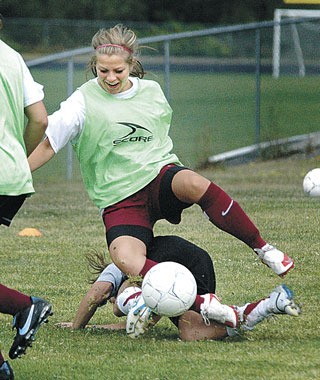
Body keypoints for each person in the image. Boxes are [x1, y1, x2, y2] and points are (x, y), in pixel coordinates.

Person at [28, 24, 294, 331]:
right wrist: (16, 175)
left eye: (118, 71)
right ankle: (212, 308)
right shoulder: (81, 101)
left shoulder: (152, 93)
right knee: (125, 258)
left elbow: (157, 145)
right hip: (119, 199)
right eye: (103, 71)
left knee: (194, 183)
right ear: (94, 66)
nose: (111, 78)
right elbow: (48, 144)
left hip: (157, 178)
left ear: (131, 66)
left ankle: (263, 249)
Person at [61, 236, 300, 342]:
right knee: (192, 333)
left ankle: (133, 298)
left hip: (178, 264)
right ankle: (264, 307)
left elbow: (96, 294)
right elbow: (138, 324)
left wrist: (76, 327)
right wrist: (95, 328)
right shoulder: (153, 299)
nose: (111, 304)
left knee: (127, 295)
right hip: (194, 265)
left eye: (111, 300)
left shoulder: (119, 262)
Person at [0, 14, 52, 379]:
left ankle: (25, 306)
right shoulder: (11, 56)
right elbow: (39, 118)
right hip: (11, 176)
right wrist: (16, 154)